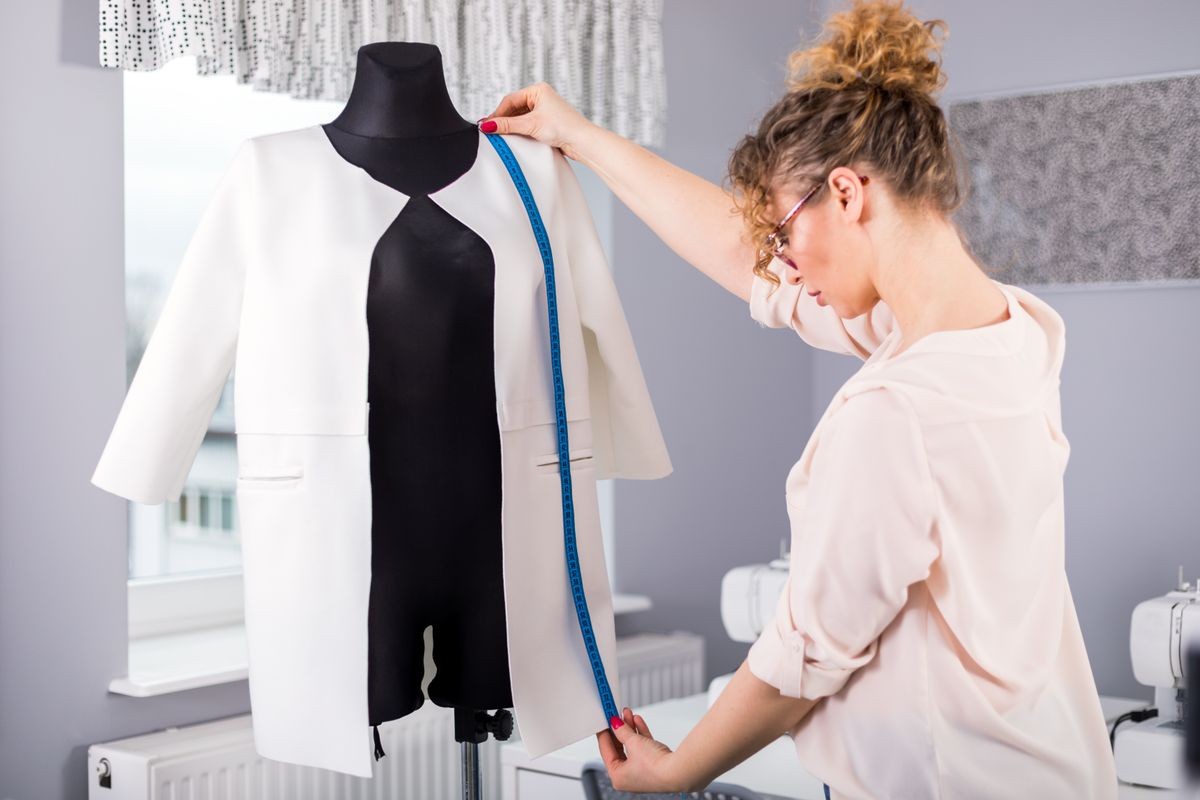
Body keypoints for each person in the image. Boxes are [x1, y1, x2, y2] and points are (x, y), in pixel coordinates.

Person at [478, 0, 1118, 796]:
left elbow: (802, 655)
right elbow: (749, 265)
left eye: (784, 233)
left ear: (848, 192)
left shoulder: (897, 412)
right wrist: (583, 138)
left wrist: (678, 770)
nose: (781, 261)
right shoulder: (1011, 334)